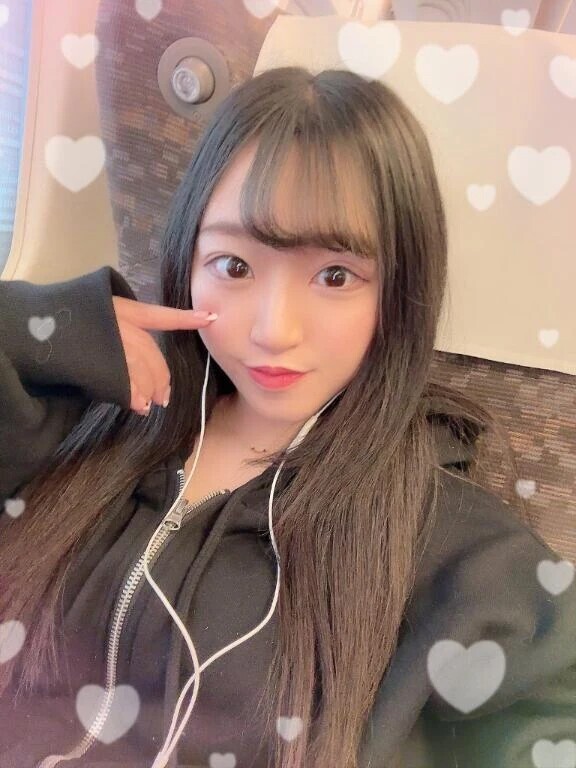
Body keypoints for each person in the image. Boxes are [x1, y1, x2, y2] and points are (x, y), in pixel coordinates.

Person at [0, 66, 574, 768]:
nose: (274, 330)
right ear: (187, 260)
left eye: (335, 276)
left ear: (398, 292)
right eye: (235, 266)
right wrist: (42, 326)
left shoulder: (449, 545)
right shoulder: (79, 418)